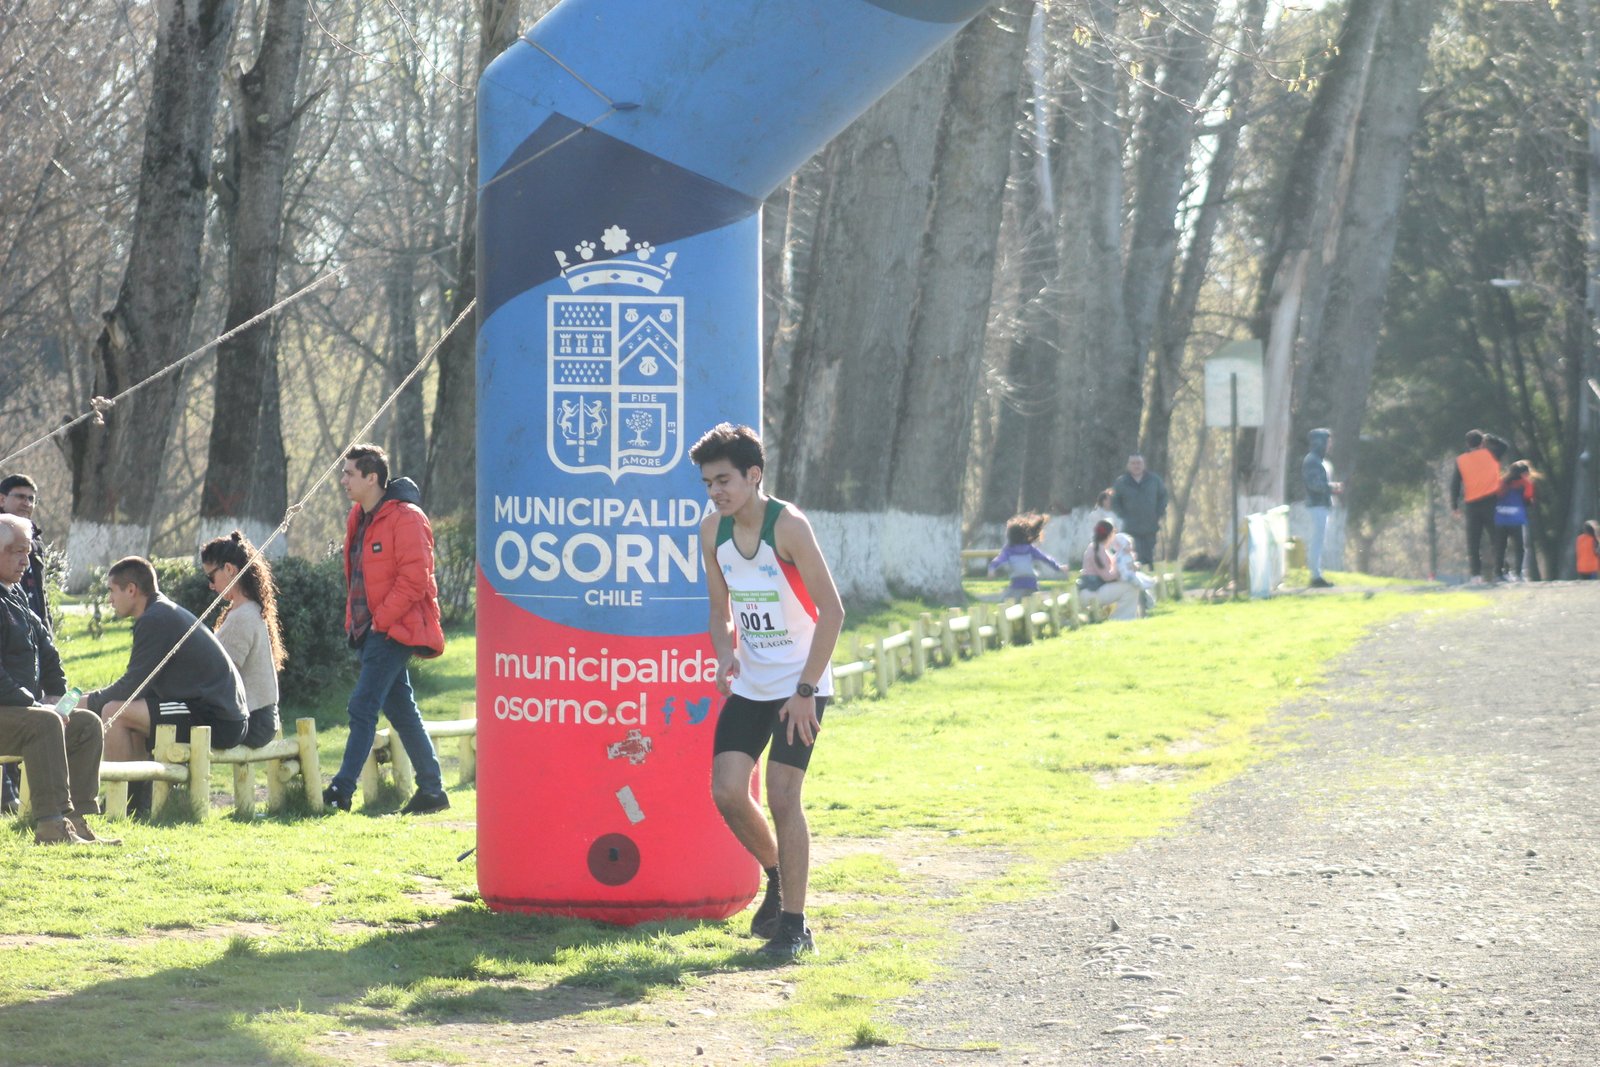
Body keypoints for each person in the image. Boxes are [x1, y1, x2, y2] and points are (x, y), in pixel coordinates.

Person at [693, 423, 844, 961]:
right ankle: (778, 875)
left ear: (754, 476)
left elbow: (833, 612)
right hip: (753, 683)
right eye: (709, 482)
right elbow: (719, 609)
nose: (716, 491)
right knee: (727, 791)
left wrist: (805, 689)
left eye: (725, 480)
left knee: (782, 795)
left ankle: (795, 929)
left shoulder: (790, 526)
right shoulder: (712, 532)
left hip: (802, 680)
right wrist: (724, 653)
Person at [323, 443, 448, 816]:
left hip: (394, 630)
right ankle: (433, 791)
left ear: (372, 477)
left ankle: (341, 792)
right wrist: (358, 623)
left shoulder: (407, 518)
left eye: (349, 473)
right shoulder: (357, 517)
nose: (343, 480)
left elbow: (415, 580)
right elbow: (358, 576)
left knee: (362, 706)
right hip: (369, 630)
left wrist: (381, 621)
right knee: (402, 710)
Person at [86, 557, 249, 802]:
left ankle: (120, 802)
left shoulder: (155, 618)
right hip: (213, 711)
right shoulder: (158, 612)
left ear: (131, 589)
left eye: (111, 591)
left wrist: (86, 703)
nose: (109, 599)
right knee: (124, 713)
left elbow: (133, 686)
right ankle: (139, 803)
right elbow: (141, 688)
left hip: (218, 717)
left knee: (113, 712)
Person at [0, 514, 115, 844]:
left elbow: (47, 651)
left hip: (21, 713)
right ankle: (51, 827)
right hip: (11, 711)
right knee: (44, 723)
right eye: (15, 551)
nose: (25, 561)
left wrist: (56, 697)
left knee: (85, 724)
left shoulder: (16, 594)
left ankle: (77, 821)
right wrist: (37, 706)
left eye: (28, 552)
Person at [200, 532, 283, 747]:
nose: (211, 585)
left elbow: (222, 676)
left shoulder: (241, 616)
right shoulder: (250, 609)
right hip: (263, 719)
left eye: (211, 577)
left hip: (253, 722)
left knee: (172, 720)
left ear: (229, 569)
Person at [0, 474, 47, 813]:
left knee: (80, 721)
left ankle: (70, 813)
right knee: (39, 719)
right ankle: (46, 813)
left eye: (32, 498)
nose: (27, 503)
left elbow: (38, 600)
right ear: (2, 498)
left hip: (27, 636)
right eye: (20, 496)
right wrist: (27, 700)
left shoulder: (32, 544)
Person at [1450, 429, 1503, 584]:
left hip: (1472, 505)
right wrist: (1490, 437)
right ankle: (1500, 572)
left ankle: (1475, 575)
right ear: (1482, 442)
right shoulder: (1492, 454)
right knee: (1497, 539)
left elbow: (1455, 484)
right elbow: (1505, 445)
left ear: (1467, 444)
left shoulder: (1461, 460)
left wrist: (1454, 504)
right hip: (1491, 502)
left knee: (1473, 541)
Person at [1301, 428, 1344, 589]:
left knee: (1319, 540)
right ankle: (1315, 575)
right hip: (1316, 506)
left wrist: (1331, 487)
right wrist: (1332, 487)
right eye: (1327, 441)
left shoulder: (1319, 461)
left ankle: (1317, 574)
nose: (1329, 445)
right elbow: (1314, 485)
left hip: (1322, 505)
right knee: (1317, 541)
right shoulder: (1312, 461)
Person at [987, 513, 1063, 599]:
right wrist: (1058, 567)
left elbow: (998, 560)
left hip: (1017, 583)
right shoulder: (1030, 549)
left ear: (1010, 537)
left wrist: (991, 569)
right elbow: (1045, 558)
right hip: (1032, 583)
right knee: (1032, 599)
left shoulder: (1008, 550)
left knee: (1007, 599)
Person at [1110, 455, 1168, 567]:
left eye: (1139, 463)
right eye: (1133, 463)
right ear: (1128, 465)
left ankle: (1149, 579)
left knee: (1148, 555)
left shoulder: (1154, 480)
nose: (1136, 465)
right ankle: (1135, 579)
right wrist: (1123, 515)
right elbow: (1115, 501)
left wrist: (1158, 513)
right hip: (1130, 527)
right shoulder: (1122, 482)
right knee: (1133, 555)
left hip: (1150, 524)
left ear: (1144, 465)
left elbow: (1163, 497)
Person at [1079, 519, 1141, 621]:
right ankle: (1122, 619)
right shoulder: (1098, 549)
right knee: (1131, 587)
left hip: (1092, 590)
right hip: (1092, 591)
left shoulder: (1099, 548)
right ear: (1110, 534)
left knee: (1133, 584)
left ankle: (1125, 617)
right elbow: (1107, 576)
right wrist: (1123, 571)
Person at [1491, 461, 1537, 583]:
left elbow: (1494, 496)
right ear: (1523, 473)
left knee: (1501, 547)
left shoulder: (1501, 482)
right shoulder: (1526, 484)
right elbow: (1528, 500)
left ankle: (1498, 573)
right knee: (1520, 548)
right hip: (1516, 520)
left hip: (1500, 519)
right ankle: (1519, 573)